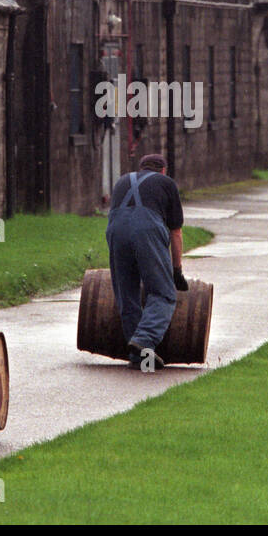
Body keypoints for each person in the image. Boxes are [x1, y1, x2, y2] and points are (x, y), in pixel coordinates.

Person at [106, 153, 191, 372]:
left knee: (127, 293)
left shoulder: (122, 181)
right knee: (163, 293)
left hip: (116, 231)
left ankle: (138, 356)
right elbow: (176, 232)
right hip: (147, 229)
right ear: (163, 170)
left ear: (141, 168)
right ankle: (144, 339)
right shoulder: (167, 183)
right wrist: (177, 270)